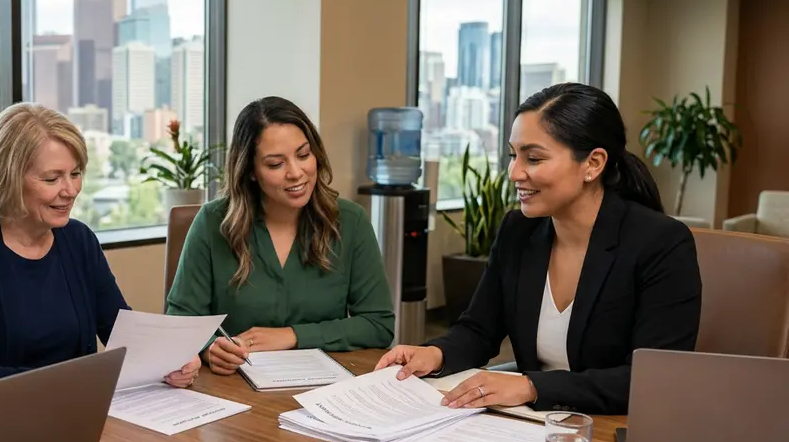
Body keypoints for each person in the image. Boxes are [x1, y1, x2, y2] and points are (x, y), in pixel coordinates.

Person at [375, 83, 702, 415]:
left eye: (532, 158)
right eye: (513, 156)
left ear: (593, 163)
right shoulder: (519, 230)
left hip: (613, 431)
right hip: (532, 427)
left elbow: (650, 380)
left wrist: (531, 386)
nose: (514, 172)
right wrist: (436, 354)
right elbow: (479, 329)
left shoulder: (662, 244)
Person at [0, 103, 199, 393]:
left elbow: (121, 330)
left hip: (73, 404)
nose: (70, 190)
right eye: (52, 179)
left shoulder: (79, 239)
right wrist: (60, 383)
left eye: (75, 173)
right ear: (9, 179)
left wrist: (171, 358)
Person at [166, 96, 395, 374]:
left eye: (303, 155)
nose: (296, 173)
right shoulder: (213, 223)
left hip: (323, 389)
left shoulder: (350, 221)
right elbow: (180, 323)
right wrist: (209, 348)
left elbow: (378, 325)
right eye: (276, 164)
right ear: (250, 171)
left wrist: (292, 335)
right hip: (233, 388)